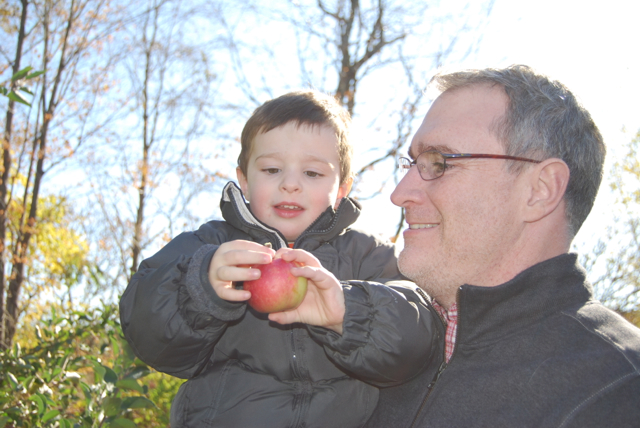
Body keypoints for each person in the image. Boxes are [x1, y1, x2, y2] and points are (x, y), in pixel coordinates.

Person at [119, 90, 437, 428]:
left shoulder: (368, 257)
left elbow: (417, 339)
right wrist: (201, 288)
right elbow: (147, 330)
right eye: (271, 169)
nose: (290, 184)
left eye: (312, 174)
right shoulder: (209, 248)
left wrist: (348, 311)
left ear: (342, 187)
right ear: (243, 179)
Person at [357, 65, 640, 427]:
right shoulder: (378, 351)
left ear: (540, 190)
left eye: (440, 163)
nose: (400, 194)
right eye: (412, 163)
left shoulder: (616, 389)